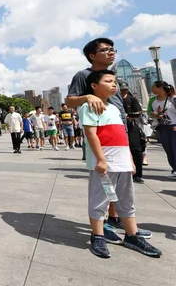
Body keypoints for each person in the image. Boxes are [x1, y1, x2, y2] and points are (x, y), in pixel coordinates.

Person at [66, 38, 151, 245]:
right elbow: (69, 101)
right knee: (104, 180)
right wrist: (87, 97)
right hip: (100, 134)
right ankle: (102, 225)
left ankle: (115, 219)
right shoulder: (83, 76)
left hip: (119, 131)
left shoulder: (112, 77)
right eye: (104, 50)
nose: (111, 53)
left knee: (120, 181)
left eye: (112, 49)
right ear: (92, 55)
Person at [79, 70, 161, 258]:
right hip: (106, 163)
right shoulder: (89, 107)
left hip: (122, 161)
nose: (114, 84)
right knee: (100, 199)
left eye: (115, 81)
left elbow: (122, 136)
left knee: (126, 199)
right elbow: (91, 134)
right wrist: (100, 159)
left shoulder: (115, 108)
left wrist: (131, 160)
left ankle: (132, 235)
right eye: (108, 81)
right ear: (94, 86)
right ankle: (98, 235)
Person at [120, 82, 145, 183]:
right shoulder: (112, 99)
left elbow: (139, 112)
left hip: (132, 126)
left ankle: (138, 174)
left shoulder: (132, 99)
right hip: (118, 126)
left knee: (136, 150)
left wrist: (129, 115)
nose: (123, 92)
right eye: (121, 90)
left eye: (125, 90)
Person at [151, 80, 176, 178]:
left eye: (154, 87)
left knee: (175, 149)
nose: (152, 89)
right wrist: (156, 115)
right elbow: (157, 115)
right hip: (163, 128)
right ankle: (174, 169)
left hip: (174, 127)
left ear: (160, 88)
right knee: (168, 150)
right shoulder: (154, 102)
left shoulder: (173, 99)